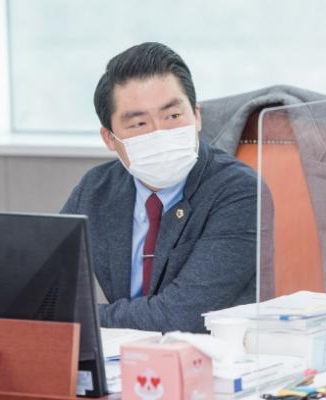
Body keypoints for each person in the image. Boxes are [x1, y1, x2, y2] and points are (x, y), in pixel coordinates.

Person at [61, 42, 263, 333]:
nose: (160, 133)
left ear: (196, 116)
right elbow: (44, 282)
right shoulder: (96, 189)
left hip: (213, 353)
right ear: (110, 139)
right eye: (139, 123)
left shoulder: (239, 193)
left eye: (172, 116)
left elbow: (181, 315)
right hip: (126, 354)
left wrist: (78, 316)